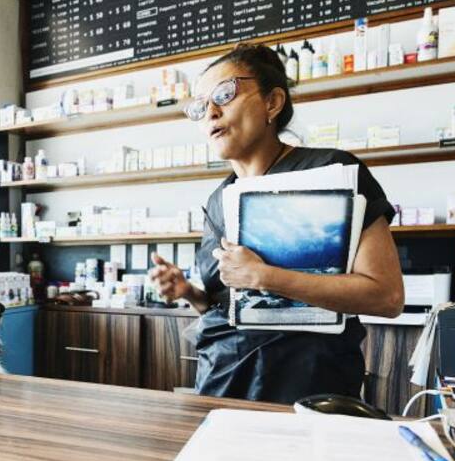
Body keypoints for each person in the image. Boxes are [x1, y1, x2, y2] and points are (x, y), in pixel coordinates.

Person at [149, 43, 403, 403]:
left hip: (309, 386)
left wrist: (267, 277)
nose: (211, 112)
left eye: (224, 94)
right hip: (223, 380)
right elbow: (226, 308)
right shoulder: (219, 200)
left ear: (272, 102)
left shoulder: (332, 173)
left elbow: (387, 297)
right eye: (201, 105)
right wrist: (189, 293)